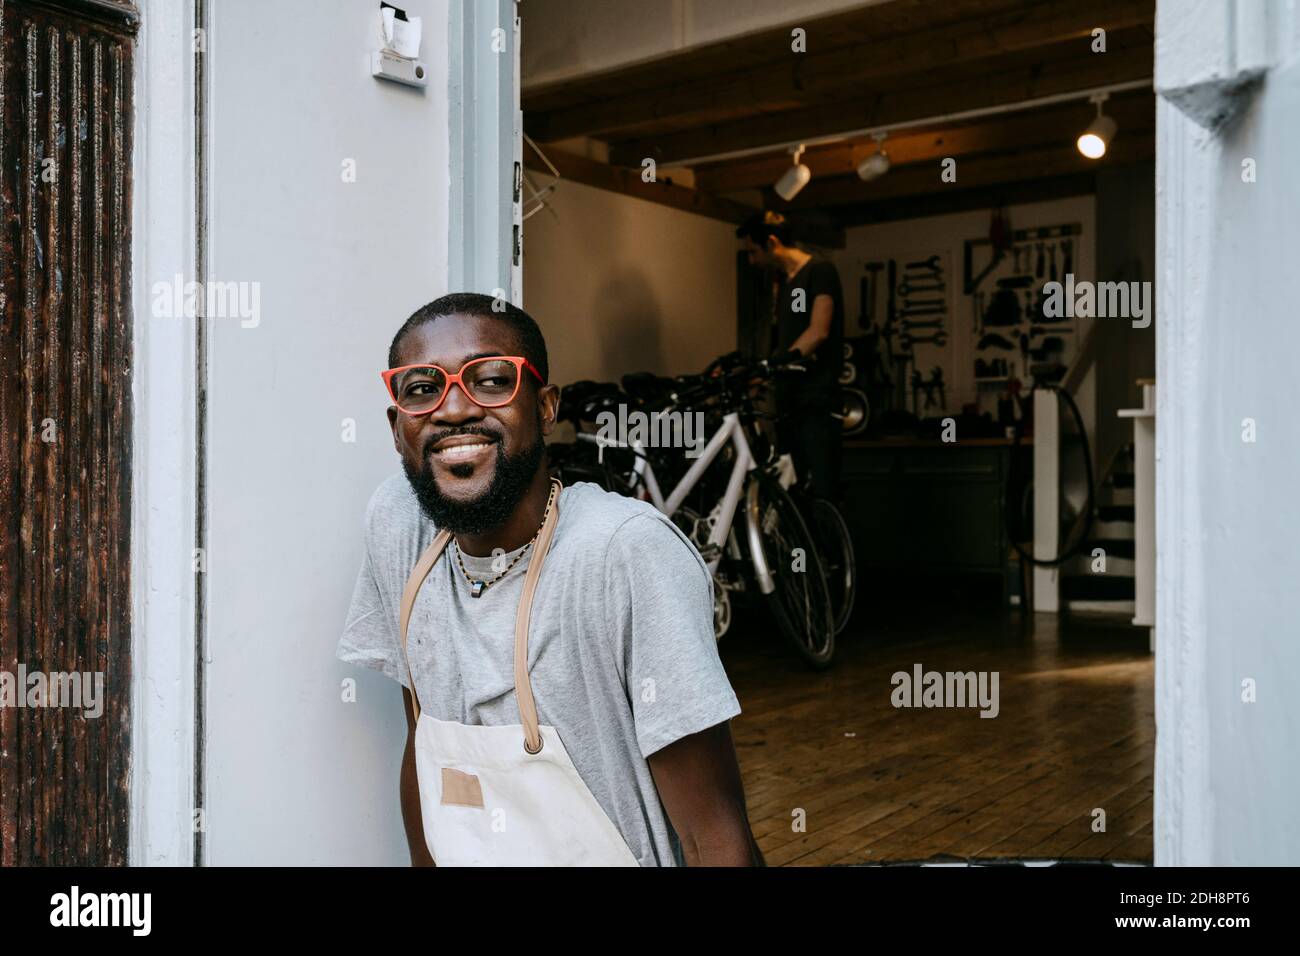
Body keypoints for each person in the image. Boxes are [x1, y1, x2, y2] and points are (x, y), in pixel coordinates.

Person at [336, 293, 762, 867]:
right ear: (397, 427)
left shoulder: (621, 553)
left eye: (490, 381)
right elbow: (425, 745)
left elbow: (715, 838)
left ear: (544, 408)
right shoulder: (399, 524)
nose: (454, 409)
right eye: (421, 388)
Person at [736, 211, 844, 498]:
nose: (751, 260)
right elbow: (792, 337)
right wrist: (758, 373)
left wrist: (774, 364)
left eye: (753, 251)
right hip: (789, 403)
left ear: (772, 243)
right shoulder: (787, 284)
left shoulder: (821, 271)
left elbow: (818, 331)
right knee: (794, 493)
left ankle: (830, 545)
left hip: (817, 404)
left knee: (823, 494)